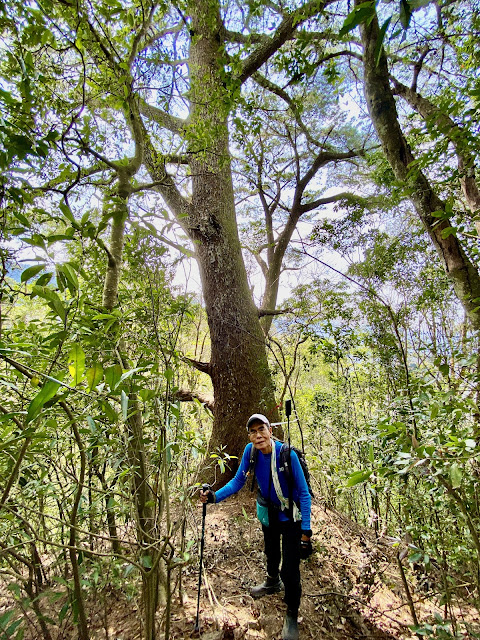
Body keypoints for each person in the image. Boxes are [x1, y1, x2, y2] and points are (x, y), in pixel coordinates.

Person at [200, 413, 312, 640]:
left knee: (290, 570)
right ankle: (272, 582)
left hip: (291, 518)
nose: (258, 435)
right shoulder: (250, 452)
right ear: (249, 435)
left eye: (262, 429)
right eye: (253, 431)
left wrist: (306, 532)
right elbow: (238, 481)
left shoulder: (287, 455)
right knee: (271, 553)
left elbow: (304, 494)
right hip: (269, 513)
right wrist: (214, 497)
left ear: (271, 431)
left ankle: (291, 613)